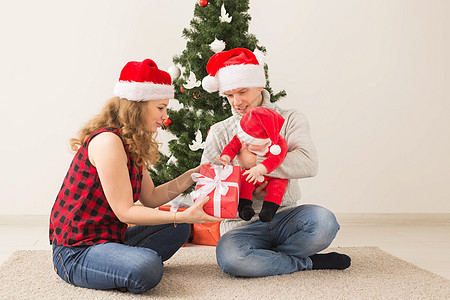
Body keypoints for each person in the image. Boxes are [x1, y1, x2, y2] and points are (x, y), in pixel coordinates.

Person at [49, 58, 222, 294]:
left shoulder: (130, 141)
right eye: (160, 107)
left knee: (179, 228)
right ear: (137, 106)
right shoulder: (108, 142)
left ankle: (118, 261)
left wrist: (192, 176)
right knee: (148, 267)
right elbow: (125, 211)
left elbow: (150, 197)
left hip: (110, 239)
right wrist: (180, 215)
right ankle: (120, 265)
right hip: (76, 251)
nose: (165, 116)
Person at [201, 48, 351, 277]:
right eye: (229, 96)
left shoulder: (290, 119)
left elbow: (309, 162)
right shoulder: (221, 131)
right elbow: (207, 185)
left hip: (286, 216)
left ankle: (268, 259)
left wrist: (256, 162)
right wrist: (244, 178)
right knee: (232, 259)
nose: (236, 102)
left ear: (259, 85)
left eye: (242, 92)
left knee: (324, 222)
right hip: (241, 226)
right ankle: (306, 262)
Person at [216, 106, 289, 222]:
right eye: (243, 140)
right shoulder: (244, 138)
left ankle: (268, 210)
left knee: (279, 185)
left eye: (249, 143)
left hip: (272, 176)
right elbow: (233, 145)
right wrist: (226, 157)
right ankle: (245, 207)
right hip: (251, 172)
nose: (244, 145)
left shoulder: (277, 144)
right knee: (244, 180)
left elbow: (276, 159)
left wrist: (260, 169)